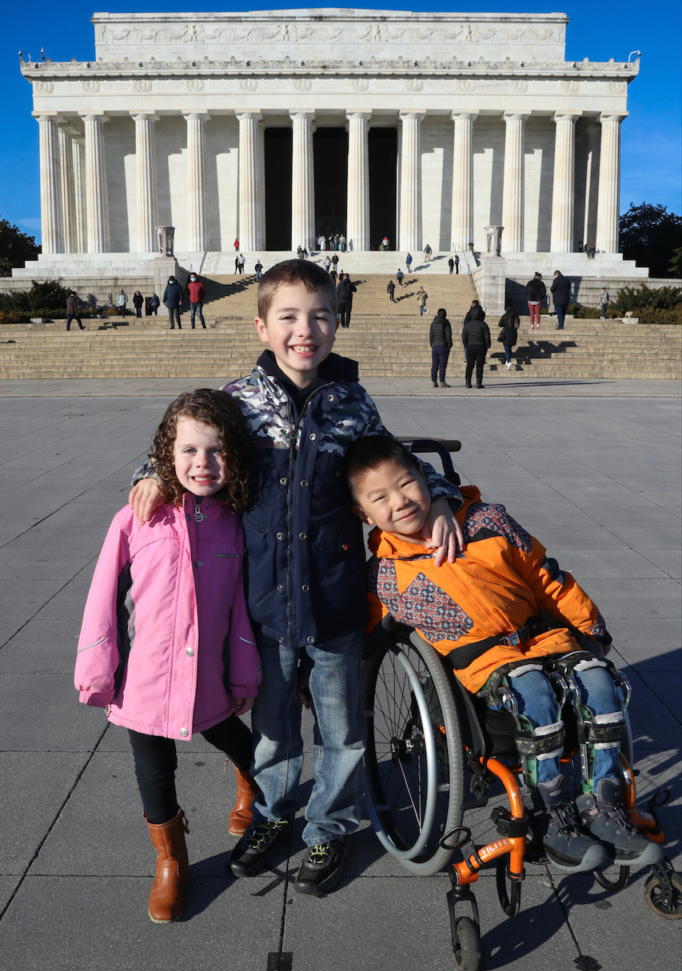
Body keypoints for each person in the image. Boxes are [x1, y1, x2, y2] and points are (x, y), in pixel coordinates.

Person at [128, 260, 462, 897]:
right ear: (262, 324)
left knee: (340, 729)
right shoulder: (239, 403)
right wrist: (149, 473)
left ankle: (330, 824)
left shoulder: (352, 404)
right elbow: (183, 442)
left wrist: (439, 498)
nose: (304, 330)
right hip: (263, 602)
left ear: (336, 324)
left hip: (334, 597)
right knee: (274, 724)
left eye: (319, 316)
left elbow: (395, 463)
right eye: (288, 317)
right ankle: (273, 813)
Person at [348, 435, 663, 876]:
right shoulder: (385, 573)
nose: (398, 502)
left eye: (406, 485)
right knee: (532, 691)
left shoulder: (485, 521)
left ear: (428, 479)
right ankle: (551, 811)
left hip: (546, 639)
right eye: (380, 497)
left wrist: (590, 624)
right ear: (364, 515)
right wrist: (329, 671)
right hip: (486, 662)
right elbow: (366, 628)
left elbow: (545, 575)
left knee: (599, 679)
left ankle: (602, 802)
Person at [76, 389, 262, 923]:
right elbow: (103, 598)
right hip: (146, 675)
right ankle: (171, 859)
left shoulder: (237, 521)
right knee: (152, 766)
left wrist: (244, 670)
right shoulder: (138, 518)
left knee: (229, 733)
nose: (203, 464)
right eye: (188, 451)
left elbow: (246, 609)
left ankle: (250, 784)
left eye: (217, 451)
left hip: (208, 672)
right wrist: (97, 668)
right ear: (166, 453)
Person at [462, 302, 490, 389]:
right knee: (479, 365)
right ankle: (478, 383)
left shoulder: (467, 325)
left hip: (470, 346)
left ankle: (468, 383)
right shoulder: (483, 324)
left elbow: (464, 337)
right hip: (481, 346)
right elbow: (487, 337)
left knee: (469, 365)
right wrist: (487, 346)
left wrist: (466, 345)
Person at [429, 307, 452, 388]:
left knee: (434, 365)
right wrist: (450, 345)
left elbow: (431, 336)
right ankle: (442, 381)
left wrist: (432, 344)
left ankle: (434, 381)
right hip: (444, 346)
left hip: (435, 346)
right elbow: (448, 336)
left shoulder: (433, 323)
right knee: (442, 365)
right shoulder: (446, 323)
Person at [498, 305, 520, 370]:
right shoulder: (516, 316)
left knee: (507, 348)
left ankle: (508, 361)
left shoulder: (505, 316)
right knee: (509, 348)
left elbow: (500, 324)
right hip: (514, 334)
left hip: (506, 334)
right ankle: (508, 360)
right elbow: (518, 325)